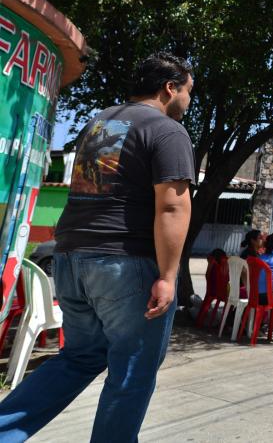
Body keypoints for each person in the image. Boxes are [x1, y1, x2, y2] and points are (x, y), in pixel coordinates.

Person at [0, 52, 195, 442]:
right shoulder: (167, 130)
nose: (190, 101)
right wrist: (169, 277)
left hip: (72, 260)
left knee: (80, 357)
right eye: (189, 91)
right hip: (125, 265)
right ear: (169, 88)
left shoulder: (100, 122)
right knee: (132, 373)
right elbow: (172, 205)